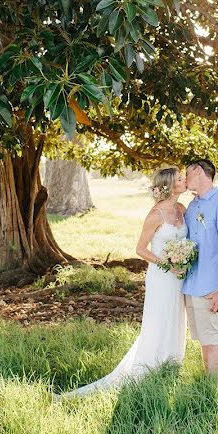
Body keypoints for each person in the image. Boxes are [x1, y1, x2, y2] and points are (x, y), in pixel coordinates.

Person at [54, 166, 189, 401]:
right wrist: (168, 264)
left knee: (175, 317)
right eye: (180, 178)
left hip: (179, 278)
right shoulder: (156, 215)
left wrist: (184, 258)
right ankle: (149, 368)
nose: (184, 180)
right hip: (161, 277)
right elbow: (140, 249)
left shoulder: (182, 209)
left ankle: (171, 365)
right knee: (159, 319)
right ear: (169, 185)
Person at [182, 158, 218, 379]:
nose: (185, 179)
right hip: (191, 286)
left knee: (212, 341)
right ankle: (208, 386)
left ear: (198, 171)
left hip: (210, 287)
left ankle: (213, 395)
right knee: (204, 342)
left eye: (187, 174)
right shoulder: (192, 205)